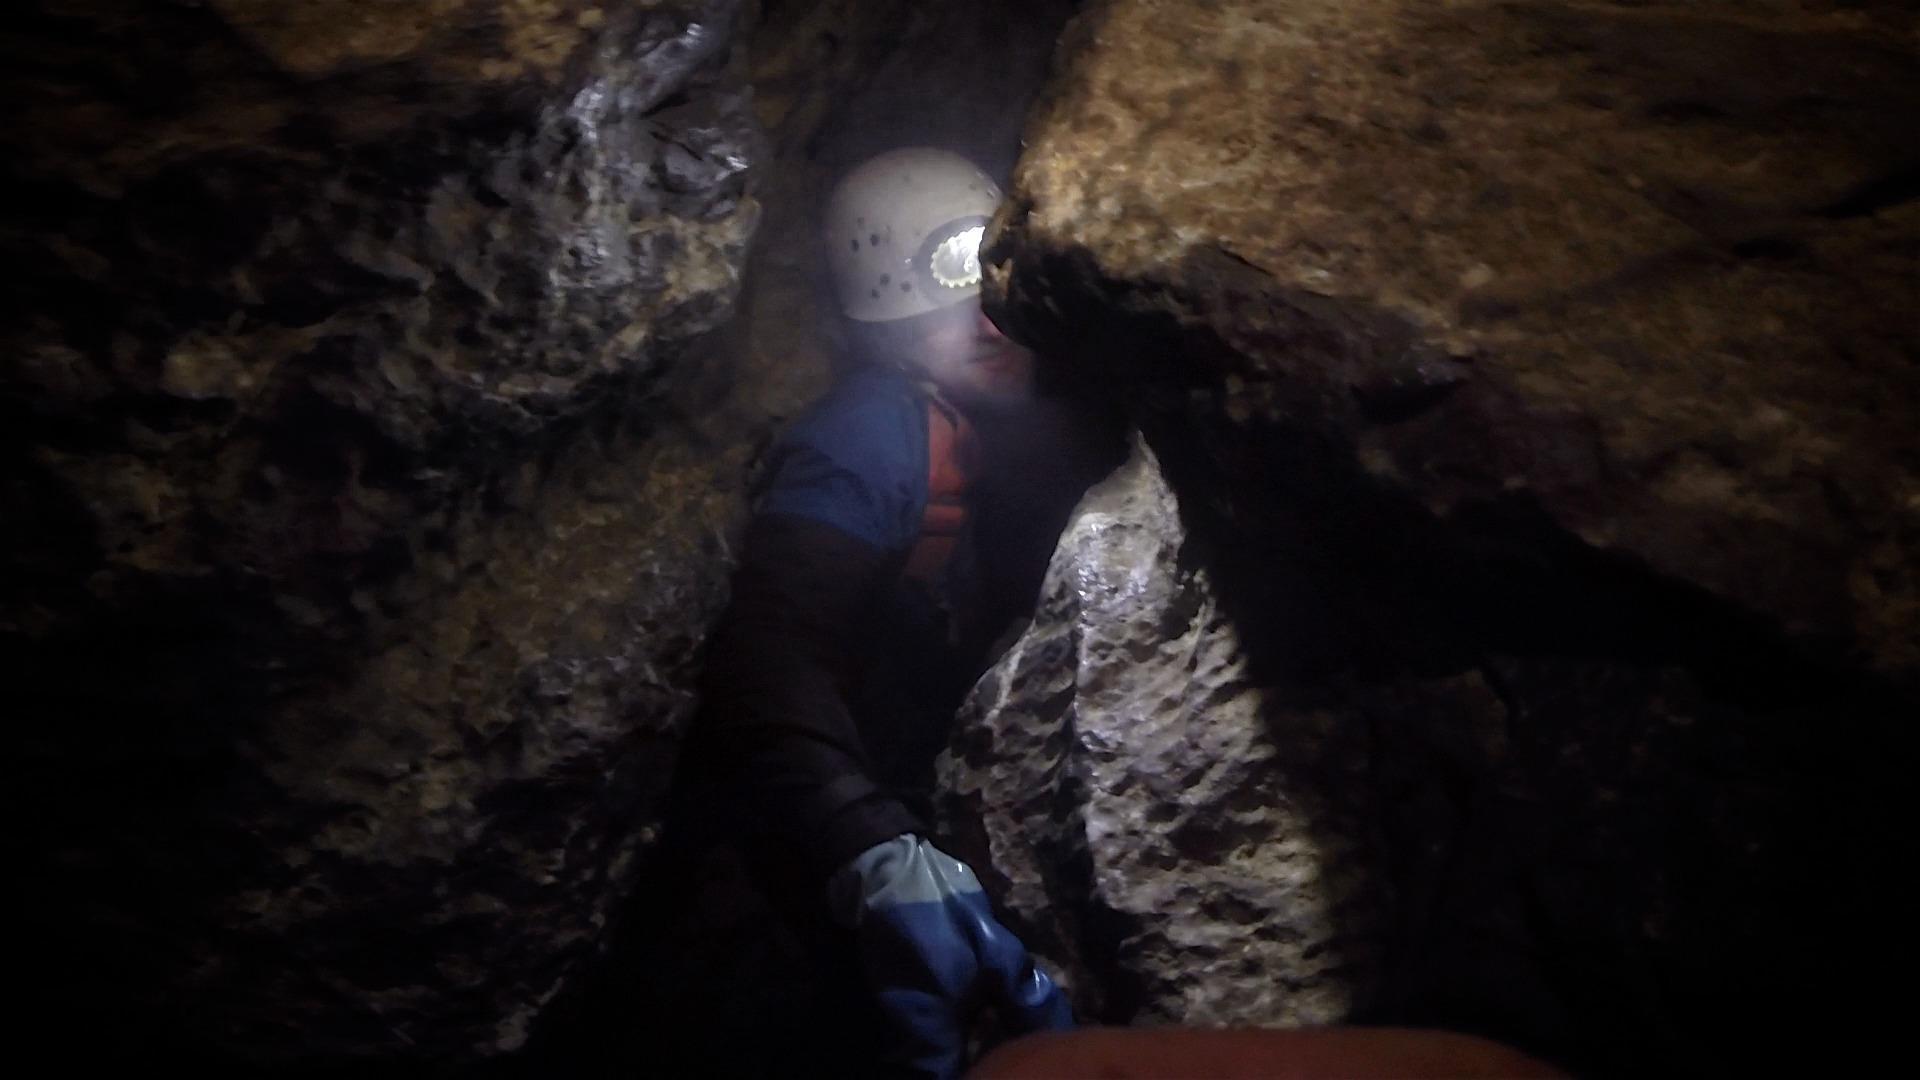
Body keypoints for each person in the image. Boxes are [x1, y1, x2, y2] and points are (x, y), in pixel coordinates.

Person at [694, 147, 1119, 1078]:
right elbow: (768, 651)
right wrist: (868, 844)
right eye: (941, 307)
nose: (985, 324)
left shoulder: (1046, 412)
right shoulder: (872, 433)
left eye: (990, 290)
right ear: (883, 335)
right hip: (844, 839)